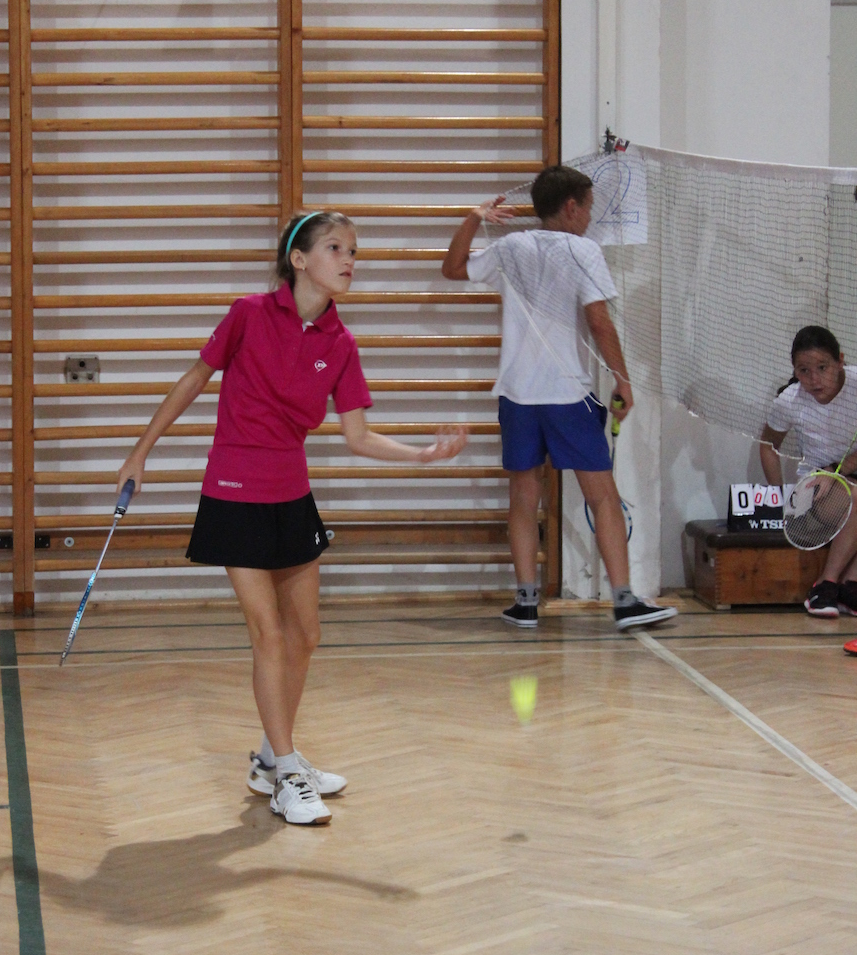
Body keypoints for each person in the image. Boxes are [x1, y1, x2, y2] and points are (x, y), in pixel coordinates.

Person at [116, 209, 468, 825]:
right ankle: (286, 772)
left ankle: (267, 758)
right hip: (234, 491)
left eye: (354, 250)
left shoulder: (340, 343)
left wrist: (421, 455)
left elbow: (357, 436)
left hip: (291, 494)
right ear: (299, 260)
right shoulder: (248, 314)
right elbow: (194, 380)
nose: (349, 259)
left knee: (305, 634)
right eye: (335, 248)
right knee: (268, 634)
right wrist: (139, 453)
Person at [441, 163, 676, 631]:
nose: (589, 218)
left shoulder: (511, 247)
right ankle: (624, 602)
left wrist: (473, 217)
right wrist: (623, 381)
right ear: (570, 207)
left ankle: (526, 603)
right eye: (588, 208)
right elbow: (599, 322)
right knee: (603, 497)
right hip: (567, 393)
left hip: (517, 395)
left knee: (523, 497)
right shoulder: (582, 250)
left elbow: (452, 268)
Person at [761, 324, 857, 618]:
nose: (814, 379)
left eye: (822, 367)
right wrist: (779, 497)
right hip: (816, 490)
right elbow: (768, 446)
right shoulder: (789, 401)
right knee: (856, 495)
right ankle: (826, 585)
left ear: (840, 361)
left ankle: (850, 587)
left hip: (842, 474)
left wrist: (835, 470)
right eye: (804, 371)